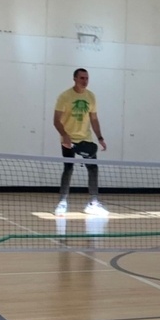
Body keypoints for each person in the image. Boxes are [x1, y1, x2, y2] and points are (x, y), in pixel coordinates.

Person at [53, 68, 107, 216]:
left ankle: (93, 203)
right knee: (68, 168)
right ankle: (62, 203)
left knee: (93, 169)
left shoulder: (91, 97)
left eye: (87, 78)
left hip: (86, 139)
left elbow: (94, 119)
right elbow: (56, 120)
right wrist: (64, 135)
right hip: (69, 139)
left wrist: (100, 138)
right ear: (75, 79)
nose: (85, 81)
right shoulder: (65, 97)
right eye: (82, 78)